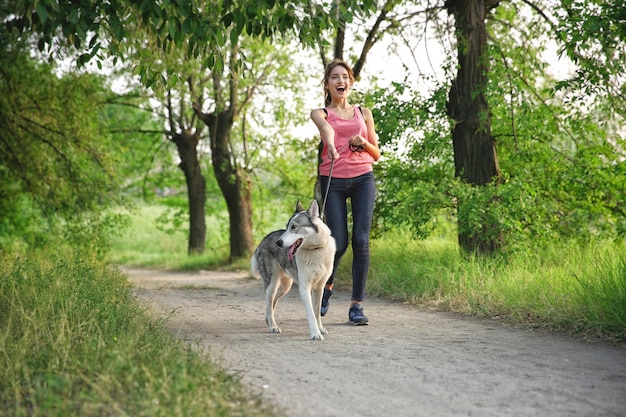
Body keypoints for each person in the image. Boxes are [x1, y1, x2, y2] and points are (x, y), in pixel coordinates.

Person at [310, 59, 381, 325]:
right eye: (335, 77)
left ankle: (356, 306)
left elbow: (376, 154)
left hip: (363, 178)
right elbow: (326, 129)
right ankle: (326, 287)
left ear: (350, 83)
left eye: (345, 77)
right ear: (327, 84)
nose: (341, 81)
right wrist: (330, 142)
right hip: (333, 179)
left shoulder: (364, 113)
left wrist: (363, 142)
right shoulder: (320, 113)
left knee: (361, 241)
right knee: (337, 239)